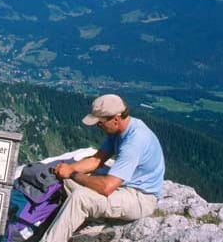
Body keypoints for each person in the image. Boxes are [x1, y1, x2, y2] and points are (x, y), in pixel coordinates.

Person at [40, 94, 165, 242]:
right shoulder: (120, 130)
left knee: (80, 197)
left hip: (140, 198)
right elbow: (96, 160)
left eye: (100, 123)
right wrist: (65, 169)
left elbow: (107, 187)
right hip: (124, 186)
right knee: (66, 180)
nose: (98, 127)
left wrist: (72, 173)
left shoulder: (134, 142)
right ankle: (97, 221)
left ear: (116, 119)